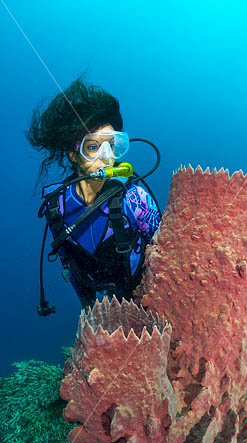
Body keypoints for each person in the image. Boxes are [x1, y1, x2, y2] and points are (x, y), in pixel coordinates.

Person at [25, 76, 161, 315]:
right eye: (93, 146)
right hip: (106, 305)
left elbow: (164, 252)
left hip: (149, 300)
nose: (107, 157)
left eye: (112, 145)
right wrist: (88, 309)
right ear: (72, 154)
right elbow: (71, 263)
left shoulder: (135, 199)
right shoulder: (56, 207)